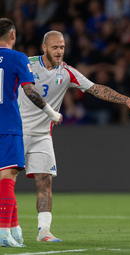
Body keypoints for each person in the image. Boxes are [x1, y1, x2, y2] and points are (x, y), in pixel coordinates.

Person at [18, 30, 130, 242]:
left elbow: (95, 88)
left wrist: (126, 100)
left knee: (45, 181)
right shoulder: (26, 64)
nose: (59, 51)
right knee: (5, 179)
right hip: (15, 131)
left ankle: (44, 232)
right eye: (54, 47)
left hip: (42, 135)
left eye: (62, 47)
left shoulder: (67, 72)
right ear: (44, 48)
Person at [0, 18, 62, 248]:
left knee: (5, 177)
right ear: (13, 36)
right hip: (8, 126)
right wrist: (51, 113)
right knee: (8, 177)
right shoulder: (18, 58)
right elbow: (29, 90)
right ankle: (3, 232)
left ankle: (14, 231)